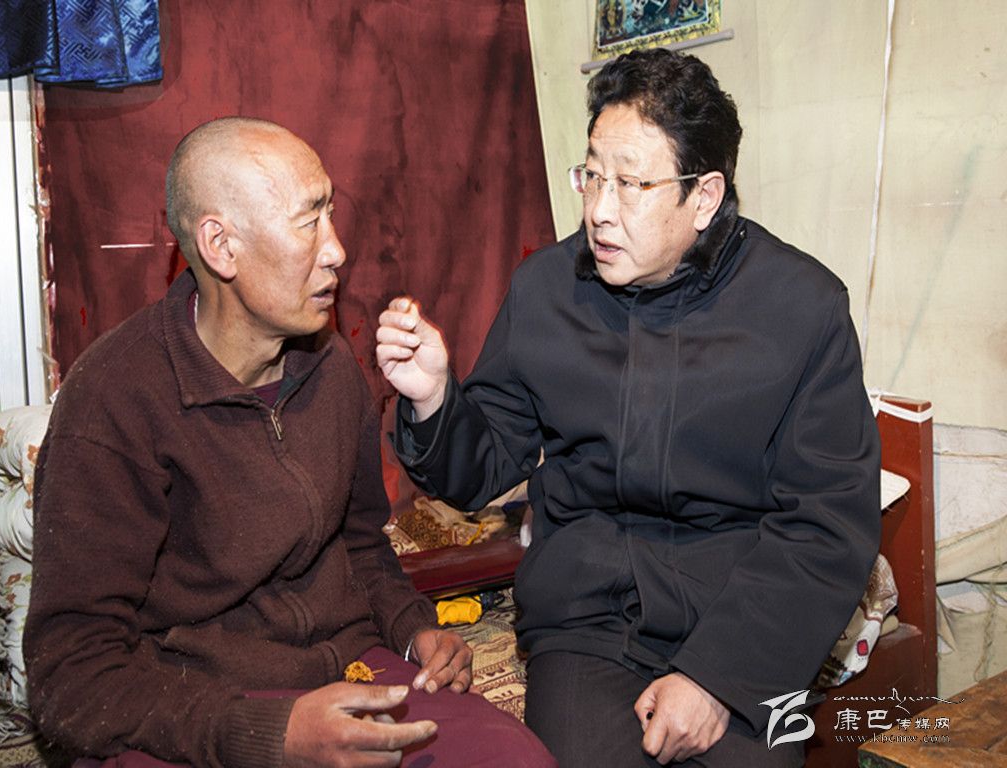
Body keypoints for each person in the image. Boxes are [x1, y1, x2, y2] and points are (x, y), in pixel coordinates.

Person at [376, 49, 881, 767]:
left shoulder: (802, 309)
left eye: (632, 184)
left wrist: (717, 680)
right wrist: (433, 400)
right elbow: (480, 471)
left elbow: (828, 521)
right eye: (592, 176)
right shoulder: (547, 289)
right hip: (587, 620)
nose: (599, 210)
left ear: (704, 197)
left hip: (745, 618)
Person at [24, 117, 554, 768]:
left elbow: (362, 546)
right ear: (221, 246)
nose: (337, 250)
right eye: (309, 222)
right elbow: (69, 675)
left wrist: (413, 629)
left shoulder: (331, 369)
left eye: (331, 214)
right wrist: (269, 733)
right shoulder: (113, 401)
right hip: (191, 710)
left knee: (514, 758)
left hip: (347, 669)